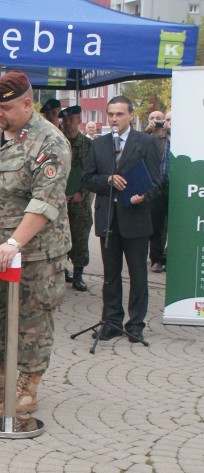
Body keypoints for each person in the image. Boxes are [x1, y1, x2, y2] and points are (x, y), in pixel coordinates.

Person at [0, 71, 71, 415]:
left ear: (26, 103)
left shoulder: (50, 142)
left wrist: (15, 242)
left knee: (33, 320)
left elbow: (44, 202)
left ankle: (27, 387)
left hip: (33, 255)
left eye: (6, 108)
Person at [82, 95, 161, 344]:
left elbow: (157, 183)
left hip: (135, 218)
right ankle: (112, 321)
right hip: (108, 218)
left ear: (130, 116)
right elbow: (87, 179)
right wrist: (107, 180)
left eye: (119, 114)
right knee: (110, 274)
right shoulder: (100, 144)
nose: (114, 119)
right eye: (111, 114)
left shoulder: (146, 142)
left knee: (138, 275)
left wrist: (143, 196)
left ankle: (136, 324)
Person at [59, 105, 93, 292]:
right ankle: (62, 271)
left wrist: (83, 192)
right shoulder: (56, 141)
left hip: (80, 201)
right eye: (66, 119)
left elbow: (93, 171)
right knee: (59, 237)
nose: (68, 122)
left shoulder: (88, 145)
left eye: (72, 119)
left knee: (80, 237)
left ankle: (78, 274)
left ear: (79, 120)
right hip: (58, 200)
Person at [144, 110, 169, 273]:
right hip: (155, 186)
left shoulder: (172, 137)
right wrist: (147, 131)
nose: (156, 121)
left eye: (159, 119)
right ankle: (157, 258)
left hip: (173, 185)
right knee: (156, 224)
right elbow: (135, 146)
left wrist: (170, 130)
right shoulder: (148, 138)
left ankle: (169, 255)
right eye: (152, 118)